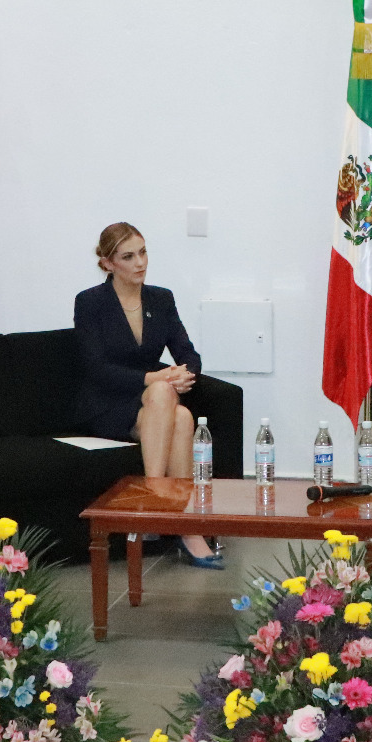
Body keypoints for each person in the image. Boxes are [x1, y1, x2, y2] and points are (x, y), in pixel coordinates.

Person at [73, 222, 222, 568]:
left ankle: (167, 514)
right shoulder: (90, 303)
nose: (140, 262)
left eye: (143, 252)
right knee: (164, 395)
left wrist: (185, 373)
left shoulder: (161, 298)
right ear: (108, 263)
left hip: (151, 405)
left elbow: (188, 352)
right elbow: (96, 369)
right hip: (107, 402)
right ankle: (175, 517)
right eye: (128, 256)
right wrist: (156, 377)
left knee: (178, 411)